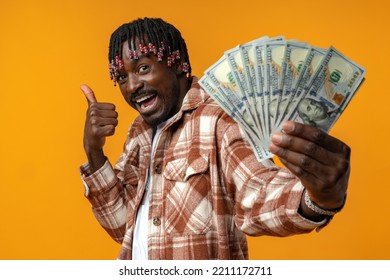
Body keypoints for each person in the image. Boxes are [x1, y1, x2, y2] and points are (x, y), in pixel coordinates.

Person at [79, 17, 350, 260]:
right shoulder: (138, 132)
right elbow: (122, 225)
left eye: (143, 68)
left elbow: (257, 191)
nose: (132, 86)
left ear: (177, 64)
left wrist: (316, 200)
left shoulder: (220, 117)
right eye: (121, 77)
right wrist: (93, 152)